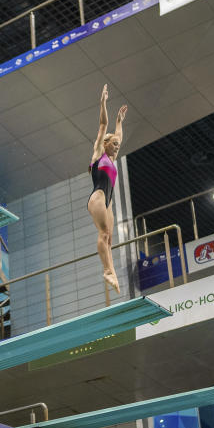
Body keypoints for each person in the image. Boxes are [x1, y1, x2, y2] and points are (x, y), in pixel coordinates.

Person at [86, 84, 127, 294]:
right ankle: (107, 270)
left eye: (118, 145)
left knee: (109, 237)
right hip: (98, 197)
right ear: (105, 143)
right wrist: (103, 102)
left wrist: (120, 122)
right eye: (114, 144)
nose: (117, 146)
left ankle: (111, 271)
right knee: (103, 234)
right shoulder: (98, 154)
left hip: (107, 200)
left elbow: (117, 133)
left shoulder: (111, 158)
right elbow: (104, 124)